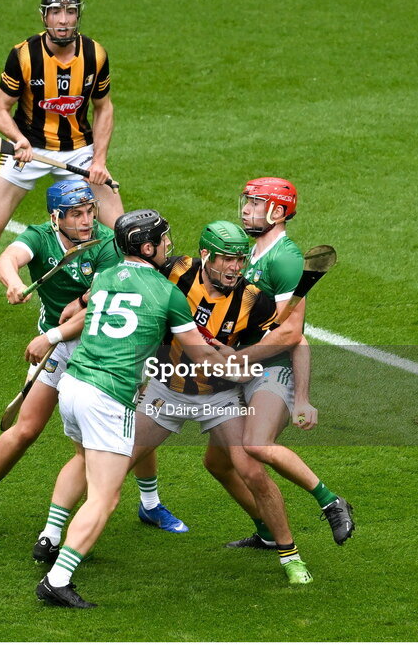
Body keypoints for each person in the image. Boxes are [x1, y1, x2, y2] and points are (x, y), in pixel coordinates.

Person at [36, 210, 252, 608]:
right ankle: (57, 579)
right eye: (164, 239)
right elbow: (202, 358)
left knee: (84, 463)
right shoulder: (167, 293)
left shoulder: (104, 277)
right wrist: (241, 370)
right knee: (105, 496)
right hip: (107, 398)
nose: (170, 245)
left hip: (72, 386)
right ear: (147, 247)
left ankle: (49, 538)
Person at [0, 181, 182, 537]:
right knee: (25, 429)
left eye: (90, 211)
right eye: (76, 214)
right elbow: (8, 259)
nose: (87, 220)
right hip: (56, 349)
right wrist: (12, 281)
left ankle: (150, 504)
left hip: (102, 347)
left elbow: (96, 309)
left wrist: (55, 331)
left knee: (132, 428)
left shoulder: (106, 243)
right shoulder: (40, 237)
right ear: (55, 217)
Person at [127, 220, 315, 584]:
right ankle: (62, 544)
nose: (234, 267)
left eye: (240, 260)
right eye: (226, 259)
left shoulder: (254, 300)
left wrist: (247, 367)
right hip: (167, 390)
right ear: (204, 256)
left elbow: (287, 342)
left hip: (220, 396)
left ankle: (290, 555)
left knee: (252, 471)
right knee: (114, 465)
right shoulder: (174, 270)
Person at [0, 0, 122, 329]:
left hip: (79, 151)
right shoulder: (23, 55)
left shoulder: (95, 54)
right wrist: (18, 139)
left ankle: (136, 302)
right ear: (44, 15)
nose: (63, 20)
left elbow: (103, 108)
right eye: (55, 12)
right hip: (28, 151)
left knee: (122, 231)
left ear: (79, 15)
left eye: (69, 12)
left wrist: (99, 160)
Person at [221, 177, 354, 553]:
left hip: (270, 369)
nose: (245, 209)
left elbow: (292, 335)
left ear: (277, 211)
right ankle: (266, 532)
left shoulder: (286, 258)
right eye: (245, 201)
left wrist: (301, 399)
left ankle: (331, 501)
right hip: (240, 367)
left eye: (255, 204)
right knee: (219, 462)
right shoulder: (249, 253)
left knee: (257, 444)